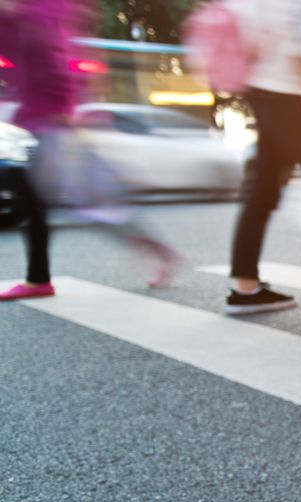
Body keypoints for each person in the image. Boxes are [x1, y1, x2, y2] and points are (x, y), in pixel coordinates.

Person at [0, 0, 179, 302]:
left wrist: (61, 109)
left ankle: (40, 278)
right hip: (37, 118)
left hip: (48, 119)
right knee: (54, 200)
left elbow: (53, 56)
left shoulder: (38, 9)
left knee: (83, 200)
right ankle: (39, 278)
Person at [225, 0, 301, 315]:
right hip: (285, 91)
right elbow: (296, 42)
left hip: (262, 85)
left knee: (263, 187)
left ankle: (245, 285)